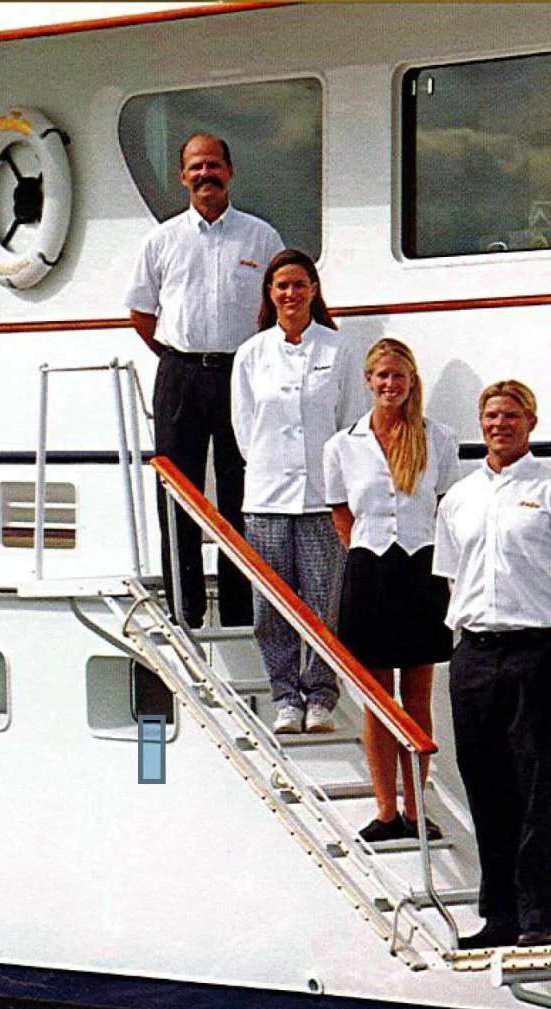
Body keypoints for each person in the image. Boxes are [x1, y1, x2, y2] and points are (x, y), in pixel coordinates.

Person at [433, 380, 551, 949]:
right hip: (475, 657)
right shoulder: (459, 499)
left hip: (537, 655)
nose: (499, 424)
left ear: (530, 422)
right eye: (490, 415)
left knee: (539, 790)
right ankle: (499, 917)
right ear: (480, 424)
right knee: (485, 788)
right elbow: (453, 578)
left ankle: (540, 918)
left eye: (510, 415)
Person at [125, 133, 283, 628]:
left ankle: (237, 607)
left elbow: (276, 308)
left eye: (213, 165)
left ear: (230, 171)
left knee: (242, 491)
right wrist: (178, 356)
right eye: (195, 167)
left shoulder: (261, 238)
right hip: (181, 375)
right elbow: (141, 313)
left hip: (240, 374)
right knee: (178, 489)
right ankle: (183, 605)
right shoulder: (162, 240)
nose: (205, 174)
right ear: (182, 176)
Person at [323, 339, 460, 842]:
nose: (389, 384)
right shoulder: (342, 445)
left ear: (411, 380)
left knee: (417, 699)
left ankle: (415, 808)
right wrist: (366, 549)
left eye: (398, 376)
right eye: (381, 376)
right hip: (371, 571)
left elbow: (446, 503)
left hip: (422, 569)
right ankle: (385, 812)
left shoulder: (437, 438)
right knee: (378, 700)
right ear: (368, 380)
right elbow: (341, 512)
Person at [231, 249, 364, 735]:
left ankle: (321, 694)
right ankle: (285, 695)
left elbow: (349, 421)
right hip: (266, 496)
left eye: (299, 284)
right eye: (281, 285)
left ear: (313, 290)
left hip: (320, 499)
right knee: (271, 604)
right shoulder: (251, 354)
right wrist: (271, 465)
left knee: (325, 601)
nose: (291, 293)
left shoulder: (338, 350)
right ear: (270, 293)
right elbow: (244, 428)